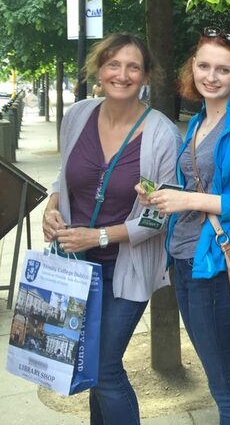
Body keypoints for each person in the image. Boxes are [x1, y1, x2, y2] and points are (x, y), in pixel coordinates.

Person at [41, 33, 180, 425]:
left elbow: (160, 216)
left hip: (125, 270)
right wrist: (52, 206)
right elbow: (65, 174)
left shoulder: (162, 135)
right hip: (74, 267)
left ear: (146, 75)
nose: (122, 74)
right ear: (98, 70)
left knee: (104, 367)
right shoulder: (78, 116)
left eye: (133, 66)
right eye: (113, 64)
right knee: (88, 368)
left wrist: (100, 235)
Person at [139, 27, 230, 424]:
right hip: (183, 259)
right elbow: (196, 185)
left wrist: (191, 200)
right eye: (204, 65)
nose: (211, 76)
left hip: (215, 267)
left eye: (223, 70)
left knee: (226, 385)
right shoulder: (196, 121)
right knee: (217, 380)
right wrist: (164, 196)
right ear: (192, 66)